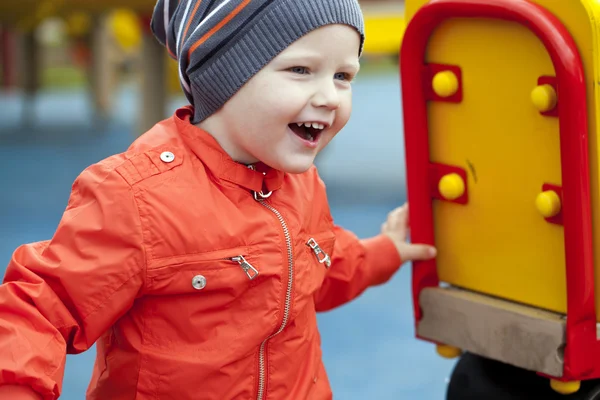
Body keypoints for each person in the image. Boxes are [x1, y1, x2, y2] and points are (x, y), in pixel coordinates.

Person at [0, 0, 437, 398]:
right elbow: (41, 307)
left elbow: (318, 264)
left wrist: (385, 252)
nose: (328, 97)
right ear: (225, 75)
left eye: (343, 76)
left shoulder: (301, 185)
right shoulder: (138, 198)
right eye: (301, 71)